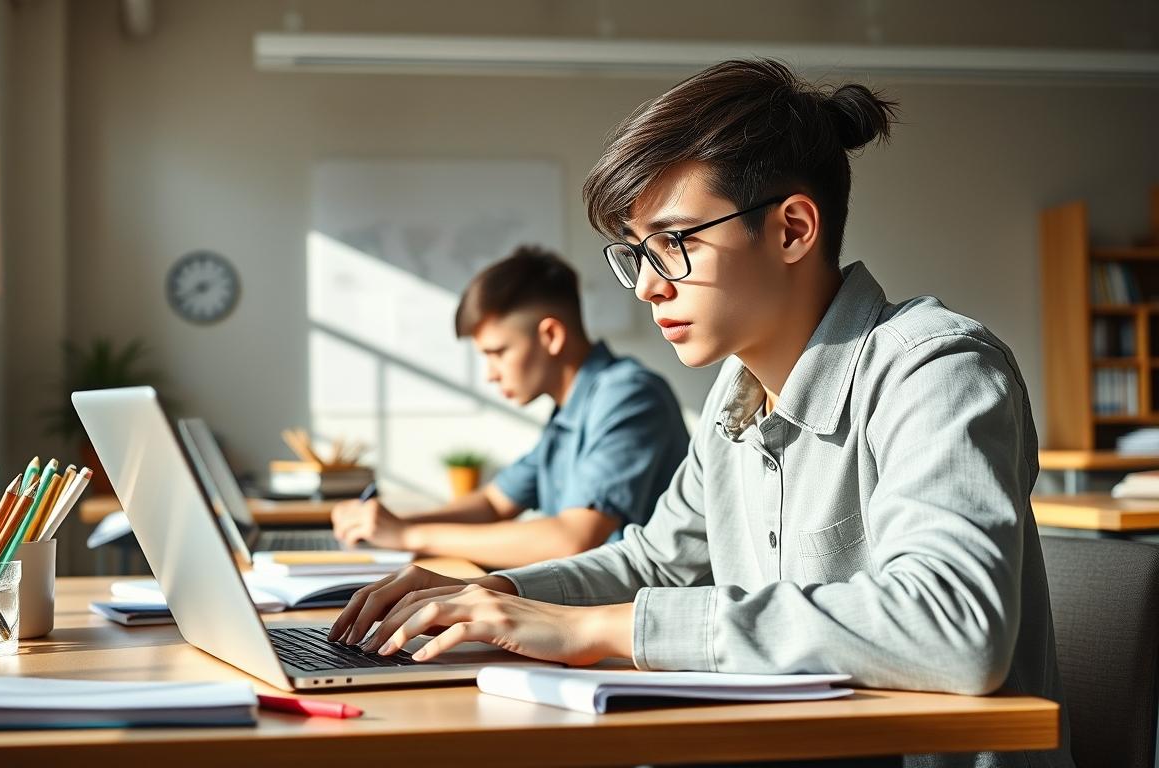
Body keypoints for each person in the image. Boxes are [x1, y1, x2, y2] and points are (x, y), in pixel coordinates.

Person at [327, 59, 1072, 768]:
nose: (648, 287)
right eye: (638, 253)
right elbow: (655, 561)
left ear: (792, 229)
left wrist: (594, 628)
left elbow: (953, 627)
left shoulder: (935, 368)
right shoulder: (734, 398)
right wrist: (502, 594)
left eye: (675, 243)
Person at [330, 245, 689, 569]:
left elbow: (572, 538)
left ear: (551, 336)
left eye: (498, 352)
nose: (490, 374)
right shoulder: (568, 412)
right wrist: (392, 526)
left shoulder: (628, 395)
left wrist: (409, 537)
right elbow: (494, 502)